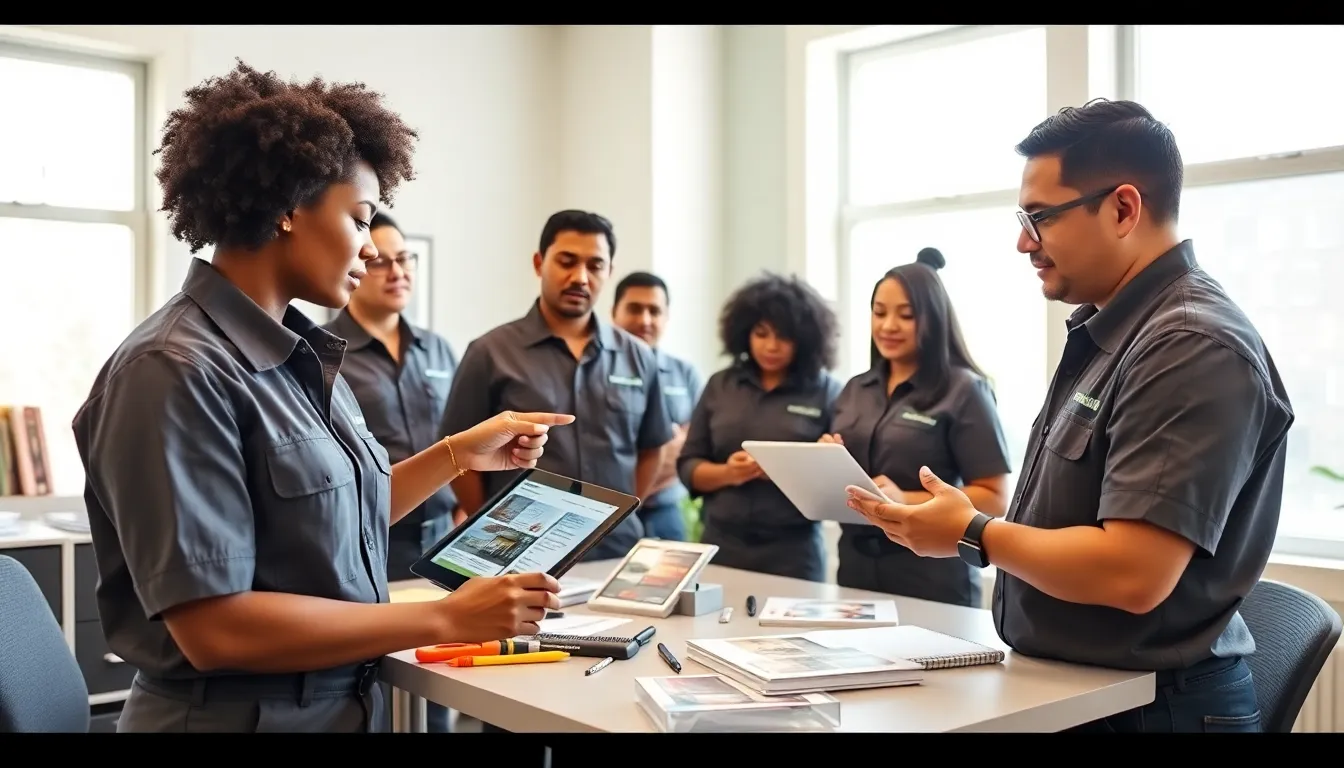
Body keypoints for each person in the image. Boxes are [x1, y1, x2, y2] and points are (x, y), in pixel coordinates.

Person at [71, 61, 568, 734]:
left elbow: (334, 523)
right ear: (287, 208)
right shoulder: (173, 370)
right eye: (360, 221)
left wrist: (455, 454)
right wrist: (446, 616)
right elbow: (214, 626)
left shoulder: (295, 354)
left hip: (335, 709)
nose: (369, 252)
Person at [844, 98, 1294, 733]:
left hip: (1152, 711)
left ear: (1123, 209)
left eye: (1041, 217)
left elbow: (1133, 571)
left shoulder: (1189, 344)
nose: (1024, 241)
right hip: (1090, 693)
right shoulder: (1117, 331)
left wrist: (975, 531)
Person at [441, 210, 676, 561]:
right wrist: (491, 521)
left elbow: (651, 448)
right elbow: (456, 455)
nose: (580, 277)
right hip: (519, 552)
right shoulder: (490, 353)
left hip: (615, 549)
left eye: (595, 266)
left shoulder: (638, 357)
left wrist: (617, 514)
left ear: (609, 272)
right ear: (539, 263)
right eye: (566, 261)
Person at [321, 211, 458, 733]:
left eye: (406, 259)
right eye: (384, 261)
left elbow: (461, 440)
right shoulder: (323, 350)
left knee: (440, 677)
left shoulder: (438, 348)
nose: (398, 270)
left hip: (441, 536)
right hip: (375, 539)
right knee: (381, 681)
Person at [821, 248, 1012, 608]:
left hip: (931, 577)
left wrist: (905, 499)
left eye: (905, 315)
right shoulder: (855, 389)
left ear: (933, 319)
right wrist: (828, 462)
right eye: (879, 313)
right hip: (856, 572)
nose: (888, 326)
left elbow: (995, 497)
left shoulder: (965, 390)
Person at [678, 273, 843, 582]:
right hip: (721, 546)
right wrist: (728, 473)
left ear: (804, 340)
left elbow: (837, 482)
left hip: (794, 552)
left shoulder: (827, 392)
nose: (771, 346)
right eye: (761, 333)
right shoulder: (721, 385)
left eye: (784, 337)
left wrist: (790, 470)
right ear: (744, 332)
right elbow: (688, 466)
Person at [610, 271, 704, 541]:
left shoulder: (684, 373)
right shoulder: (593, 370)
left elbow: (694, 445)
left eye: (654, 310)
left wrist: (646, 459)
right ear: (614, 312)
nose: (645, 320)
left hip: (665, 512)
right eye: (635, 309)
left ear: (666, 317)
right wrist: (665, 448)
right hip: (608, 511)